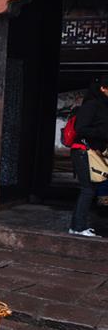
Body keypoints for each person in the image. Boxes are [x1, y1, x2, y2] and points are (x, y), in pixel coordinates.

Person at [71, 74, 108, 237]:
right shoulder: (92, 105)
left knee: (89, 189)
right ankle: (78, 228)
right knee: (88, 189)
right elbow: (81, 128)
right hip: (83, 152)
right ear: (103, 88)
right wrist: (102, 132)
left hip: (91, 152)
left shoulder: (102, 105)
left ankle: (76, 226)